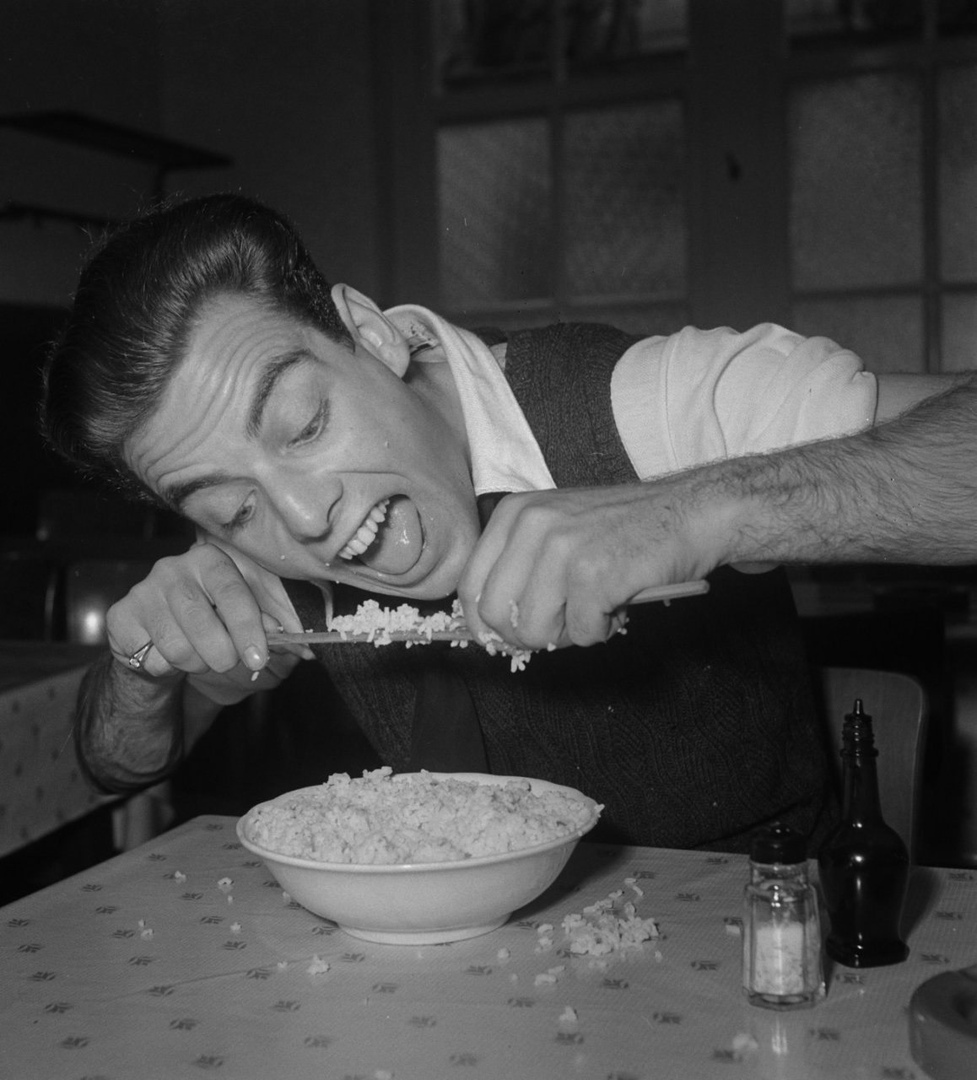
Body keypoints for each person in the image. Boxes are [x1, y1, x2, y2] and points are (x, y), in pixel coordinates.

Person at [41, 193, 958, 853]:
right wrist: (141, 668)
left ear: (370, 334)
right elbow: (117, 765)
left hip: (760, 938)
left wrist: (695, 509)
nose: (305, 517)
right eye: (230, 506)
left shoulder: (652, 406)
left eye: (304, 425)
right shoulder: (264, 560)